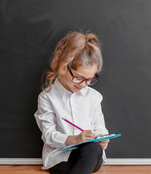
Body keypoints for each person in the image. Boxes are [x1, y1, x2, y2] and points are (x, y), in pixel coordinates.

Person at [34, 31, 109, 174]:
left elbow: (99, 128)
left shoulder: (94, 97)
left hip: (91, 155)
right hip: (61, 157)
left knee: (92, 149)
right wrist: (74, 139)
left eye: (89, 79)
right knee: (79, 162)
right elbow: (49, 136)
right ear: (64, 68)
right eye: (79, 77)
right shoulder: (47, 97)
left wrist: (102, 139)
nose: (83, 84)